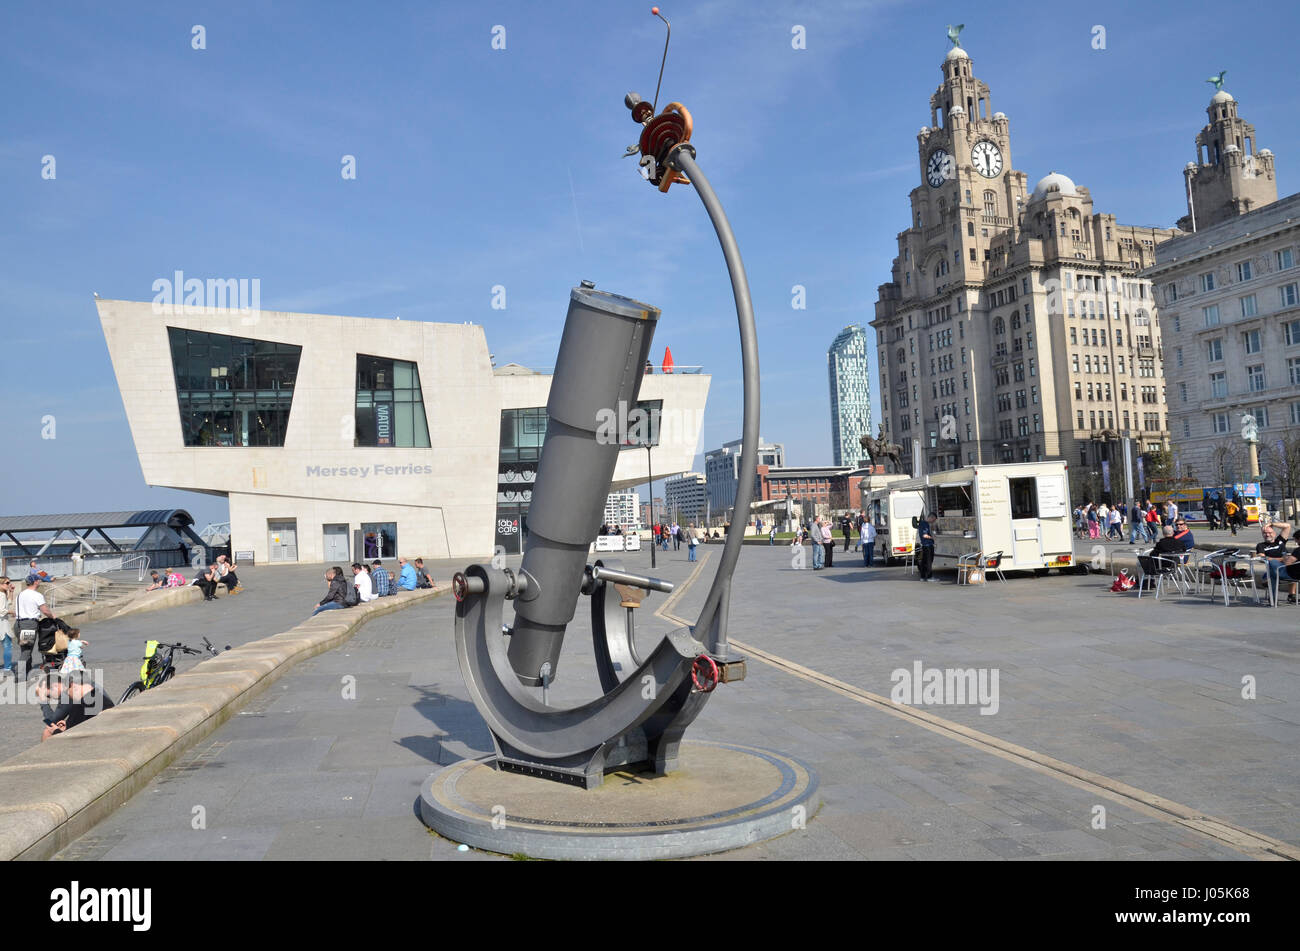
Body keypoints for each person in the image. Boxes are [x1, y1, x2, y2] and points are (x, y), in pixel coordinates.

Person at [36, 669, 113, 741]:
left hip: (91, 741)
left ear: (73, 686)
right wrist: (68, 724)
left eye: (48, 696)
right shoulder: (97, 694)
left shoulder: (80, 704)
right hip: (104, 731)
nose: (68, 694)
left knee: (47, 732)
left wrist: (43, 701)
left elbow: (52, 723)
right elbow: (78, 722)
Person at [17, 577, 75, 671]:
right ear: (35, 582)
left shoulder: (20, 594)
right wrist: (53, 617)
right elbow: (45, 610)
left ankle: (27, 670)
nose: (40, 581)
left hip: (19, 623)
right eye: (38, 580)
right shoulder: (37, 595)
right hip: (29, 625)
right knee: (26, 651)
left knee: (26, 649)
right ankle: (19, 674)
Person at [1256, 523, 1288, 602]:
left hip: (1286, 567)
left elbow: (1287, 526)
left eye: (1269, 533)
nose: (1267, 535)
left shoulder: (1280, 541)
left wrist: (1271, 523)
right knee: (1273, 571)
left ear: (1274, 533)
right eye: (1265, 533)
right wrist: (1281, 559)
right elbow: (1263, 558)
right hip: (1273, 568)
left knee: (1294, 567)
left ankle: (1292, 596)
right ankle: (1273, 597)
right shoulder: (1261, 545)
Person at [0, 577, 14, 679]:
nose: (9, 584)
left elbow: (8, 603)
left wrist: (11, 592)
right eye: (7, 583)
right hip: (2, 623)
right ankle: (7, 669)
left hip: (3, 622)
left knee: (7, 645)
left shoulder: (3, 594)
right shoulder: (1, 595)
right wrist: (12, 612)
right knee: (7, 645)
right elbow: (2, 610)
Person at [916, 511, 936, 581]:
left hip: (927, 545)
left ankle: (923, 576)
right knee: (928, 561)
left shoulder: (926, 524)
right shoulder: (923, 524)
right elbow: (924, 535)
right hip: (927, 545)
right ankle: (929, 577)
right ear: (931, 517)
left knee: (925, 561)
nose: (933, 521)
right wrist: (932, 537)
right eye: (933, 520)